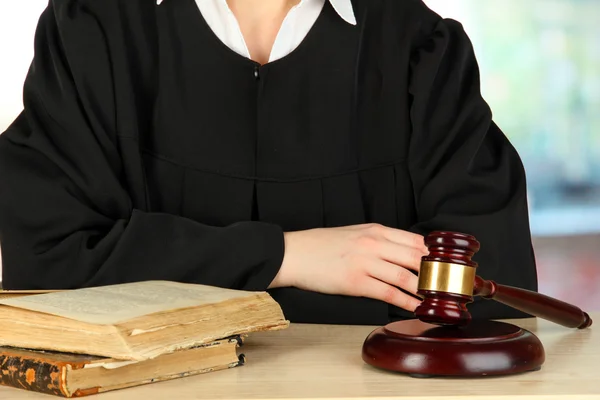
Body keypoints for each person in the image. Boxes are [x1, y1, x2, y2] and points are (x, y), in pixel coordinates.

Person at [0, 0, 538, 325]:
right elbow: (45, 270)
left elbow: (492, 288)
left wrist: (157, 268)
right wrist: (288, 257)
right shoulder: (95, 32)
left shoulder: (419, 50)